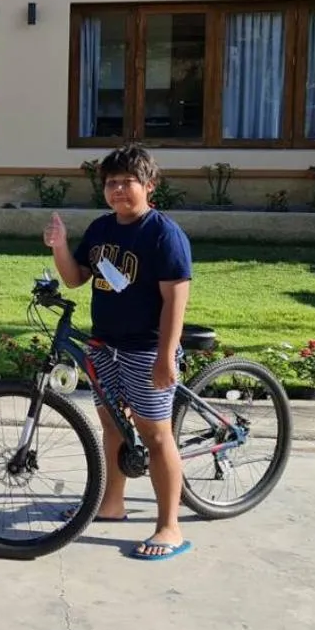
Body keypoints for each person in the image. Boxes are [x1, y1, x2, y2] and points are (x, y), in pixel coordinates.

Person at [43, 143, 193, 561]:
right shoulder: (101, 229)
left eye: (127, 182)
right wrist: (59, 246)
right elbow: (75, 279)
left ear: (149, 185)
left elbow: (175, 302)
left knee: (156, 435)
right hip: (105, 345)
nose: (118, 190)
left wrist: (166, 356)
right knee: (111, 425)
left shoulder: (164, 235)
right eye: (111, 183)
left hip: (146, 349)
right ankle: (112, 504)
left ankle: (169, 526)